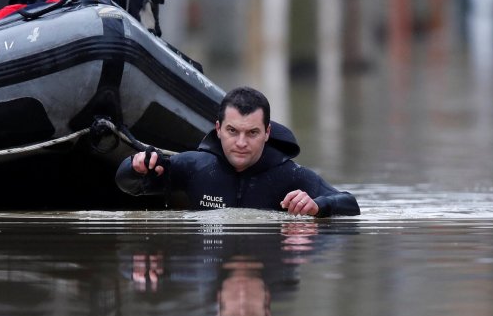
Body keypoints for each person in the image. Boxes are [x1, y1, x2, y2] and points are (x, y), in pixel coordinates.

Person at [115, 86, 361, 217]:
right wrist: (136, 167)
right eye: (233, 131)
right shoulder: (195, 167)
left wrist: (317, 206)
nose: (241, 142)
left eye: (252, 133)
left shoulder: (291, 176)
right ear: (219, 129)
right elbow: (126, 183)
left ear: (267, 132)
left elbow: (350, 205)